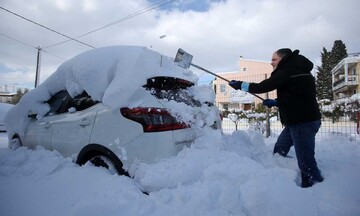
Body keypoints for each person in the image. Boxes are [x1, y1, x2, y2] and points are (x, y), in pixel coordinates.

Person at [229, 48, 323, 188]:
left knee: (305, 159)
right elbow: (297, 97)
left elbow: (263, 86)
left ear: (283, 58)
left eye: (274, 59)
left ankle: (313, 185)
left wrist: (240, 85)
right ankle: (281, 173)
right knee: (280, 150)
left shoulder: (287, 71)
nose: (271, 63)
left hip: (303, 122)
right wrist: (276, 102)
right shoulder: (298, 70)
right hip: (296, 121)